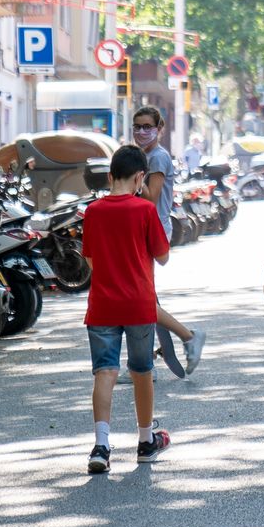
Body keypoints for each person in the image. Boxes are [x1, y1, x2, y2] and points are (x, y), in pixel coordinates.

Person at [80, 143, 171, 473]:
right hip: (138, 304)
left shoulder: (93, 212)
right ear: (139, 177)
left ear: (109, 176)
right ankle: (146, 441)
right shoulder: (144, 211)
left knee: (105, 371)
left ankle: (101, 446)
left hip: (102, 304)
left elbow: (89, 259)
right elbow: (162, 256)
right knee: (141, 370)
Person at [132, 106, 206, 375]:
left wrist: (133, 178)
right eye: (137, 126)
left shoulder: (158, 158)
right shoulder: (144, 155)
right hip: (143, 229)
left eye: (147, 127)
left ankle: (187, 337)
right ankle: (148, 356)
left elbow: (151, 197)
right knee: (142, 294)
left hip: (154, 230)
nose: (141, 131)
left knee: (139, 298)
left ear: (159, 129)